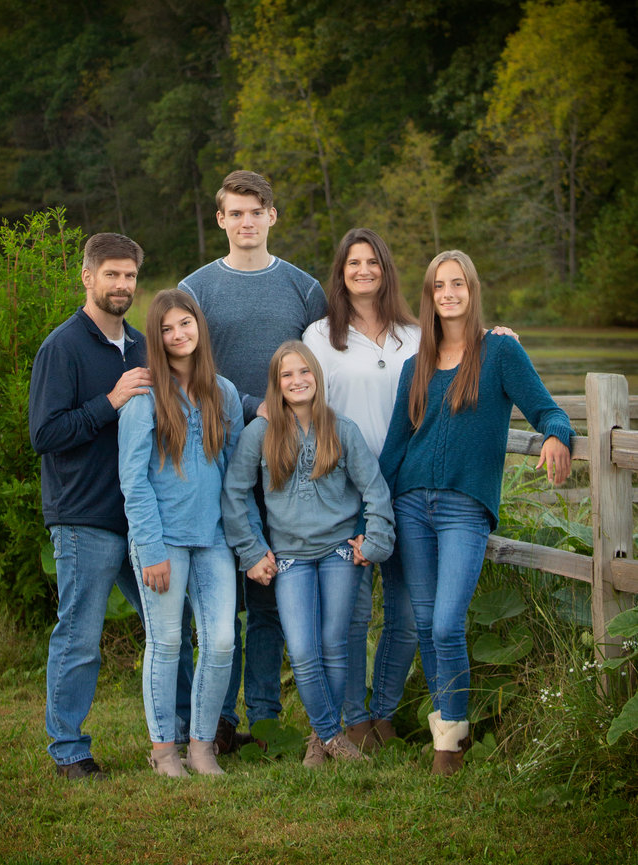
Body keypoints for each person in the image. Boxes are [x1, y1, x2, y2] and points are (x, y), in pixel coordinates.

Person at [379, 250, 573, 776]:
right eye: (439, 285)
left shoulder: (501, 353)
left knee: (447, 624)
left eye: (457, 284)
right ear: (429, 296)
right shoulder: (413, 365)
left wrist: (557, 435)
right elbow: (397, 444)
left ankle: (453, 739)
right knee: (423, 624)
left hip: (465, 508)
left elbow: (546, 408)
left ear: (472, 291)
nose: (448, 293)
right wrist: (373, 510)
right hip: (410, 505)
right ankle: (447, 736)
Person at [180, 170, 328, 751]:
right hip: (216, 458)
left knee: (269, 593)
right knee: (223, 599)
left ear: (272, 216)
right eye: (234, 213)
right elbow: (178, 360)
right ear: (221, 220)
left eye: (255, 211)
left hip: (288, 460)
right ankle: (218, 722)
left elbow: (342, 349)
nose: (246, 222)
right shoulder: (196, 289)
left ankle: (265, 719)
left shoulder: (303, 288)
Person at [29, 233, 185, 780]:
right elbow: (45, 433)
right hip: (84, 516)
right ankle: (69, 749)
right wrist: (110, 401)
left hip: (142, 517)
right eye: (111, 275)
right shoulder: (63, 347)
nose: (122, 286)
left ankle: (185, 733)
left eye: (130, 276)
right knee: (80, 636)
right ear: (87, 276)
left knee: (167, 628)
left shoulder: (143, 347)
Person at [221, 341, 395, 767]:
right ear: (276, 385)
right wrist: (251, 550)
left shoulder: (342, 429)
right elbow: (235, 492)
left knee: (335, 643)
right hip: (289, 557)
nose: (297, 381)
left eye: (305, 373)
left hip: (339, 552)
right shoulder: (260, 433)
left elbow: (375, 490)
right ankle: (335, 737)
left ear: (317, 378)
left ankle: (319, 740)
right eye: (287, 375)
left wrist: (374, 542)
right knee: (300, 648)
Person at [303, 228, 420, 752]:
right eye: (354, 262)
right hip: (346, 492)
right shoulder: (320, 336)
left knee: (410, 611)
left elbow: (466, 353)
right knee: (351, 614)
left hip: (409, 485)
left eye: (373, 261)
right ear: (341, 272)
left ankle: (385, 710)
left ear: (385, 269)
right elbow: (304, 405)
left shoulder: (416, 336)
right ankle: (353, 717)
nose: (364, 270)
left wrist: (500, 335)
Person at [118, 289, 240, 777]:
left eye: (184, 324)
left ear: (198, 327)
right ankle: (163, 750)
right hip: (162, 540)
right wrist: (149, 549)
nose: (177, 335)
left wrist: (242, 539)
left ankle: (202, 745)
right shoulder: (144, 397)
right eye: (166, 329)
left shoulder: (222, 392)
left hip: (212, 539)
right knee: (167, 642)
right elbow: (134, 479)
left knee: (222, 641)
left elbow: (232, 476)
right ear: (156, 337)